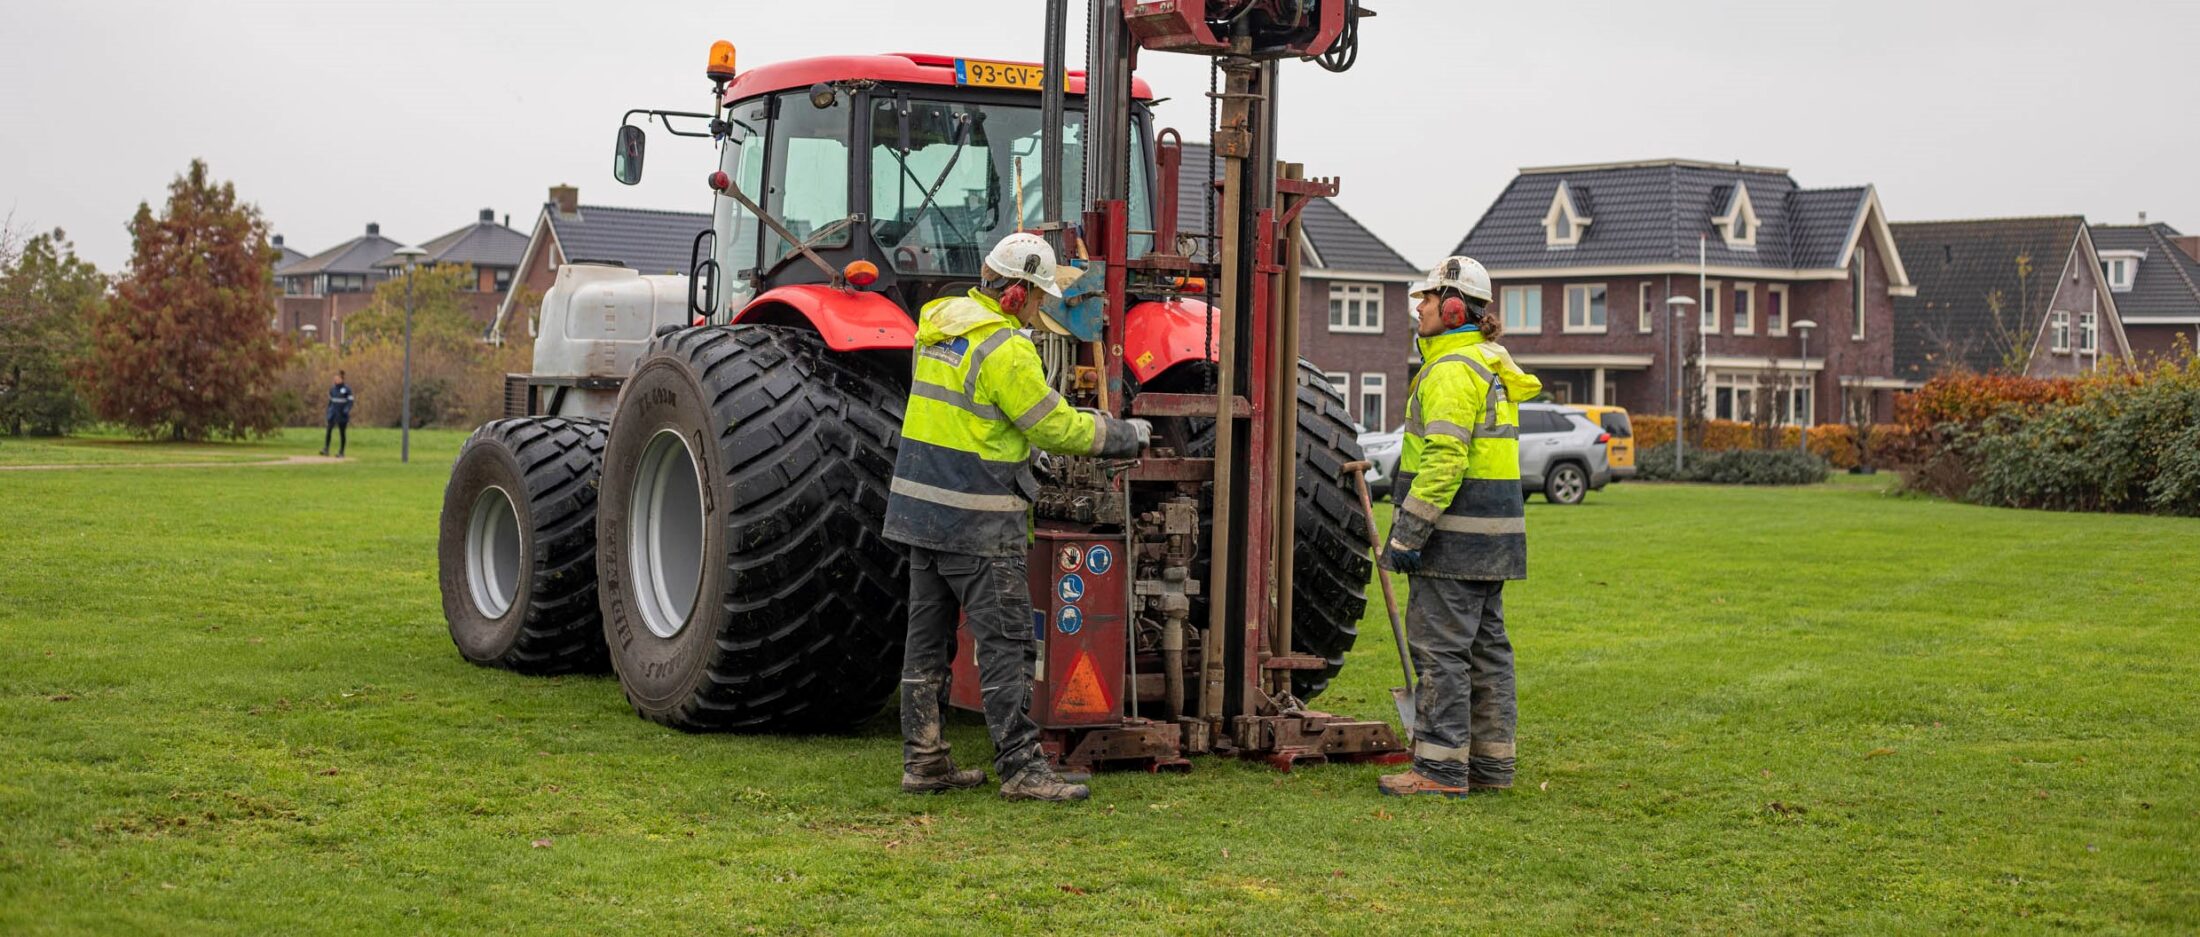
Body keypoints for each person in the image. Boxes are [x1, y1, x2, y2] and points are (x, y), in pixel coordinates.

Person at [883, 232, 1151, 802]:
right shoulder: (1004, 347)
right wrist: (1123, 435)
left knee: (926, 644)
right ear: (1015, 293)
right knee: (1006, 642)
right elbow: (1052, 423)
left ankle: (924, 760)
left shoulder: (936, 330)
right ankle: (1022, 769)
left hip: (920, 511)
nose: (1040, 309)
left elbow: (965, 417)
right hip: (977, 518)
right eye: (1037, 298)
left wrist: (1020, 450)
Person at [1378, 256, 1542, 798]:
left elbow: (1445, 462)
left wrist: (1408, 534)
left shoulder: (1449, 371)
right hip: (1496, 540)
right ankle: (1492, 768)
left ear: (1452, 309)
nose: (1417, 308)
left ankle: (1440, 769)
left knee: (1442, 652)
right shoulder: (1491, 367)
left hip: (1453, 541)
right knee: (1488, 651)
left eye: (1425, 299)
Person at [321, 370, 355, 457]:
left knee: (342, 433)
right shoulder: (332, 389)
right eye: (335, 378)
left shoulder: (347, 389)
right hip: (333, 413)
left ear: (342, 379)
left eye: (337, 378)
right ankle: (326, 449)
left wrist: (346, 410)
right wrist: (329, 410)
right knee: (329, 430)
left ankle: (341, 452)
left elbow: (350, 401)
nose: (335, 380)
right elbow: (331, 401)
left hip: (342, 414)